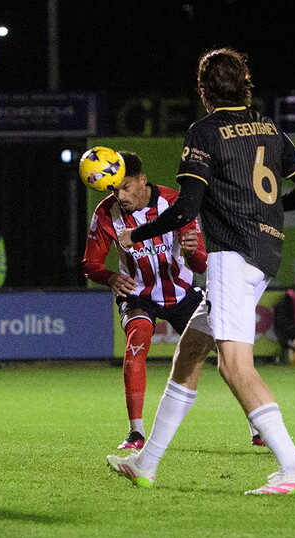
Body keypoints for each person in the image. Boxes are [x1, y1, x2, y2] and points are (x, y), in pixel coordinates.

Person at [105, 47, 295, 495]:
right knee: (191, 350)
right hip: (265, 252)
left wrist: (137, 234)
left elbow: (187, 206)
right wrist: (273, 210)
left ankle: (293, 466)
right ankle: (146, 463)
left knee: (233, 365)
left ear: (204, 91)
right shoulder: (268, 128)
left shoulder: (205, 131)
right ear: (245, 84)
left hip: (232, 256)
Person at [82, 151, 208, 451]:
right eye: (114, 188)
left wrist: (192, 252)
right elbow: (90, 263)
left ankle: (256, 427)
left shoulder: (175, 203)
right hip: (139, 295)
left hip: (182, 294)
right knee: (136, 346)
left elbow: (201, 264)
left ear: (142, 180)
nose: (120, 195)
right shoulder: (105, 213)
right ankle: (136, 433)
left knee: (229, 352)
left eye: (126, 187)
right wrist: (111, 277)